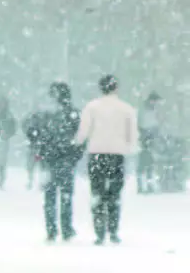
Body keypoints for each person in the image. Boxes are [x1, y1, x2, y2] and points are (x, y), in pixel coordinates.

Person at [73, 75, 138, 245]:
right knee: (114, 194)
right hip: (117, 154)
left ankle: (99, 231)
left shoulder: (92, 107)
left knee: (97, 193)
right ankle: (113, 229)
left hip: (97, 153)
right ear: (116, 88)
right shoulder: (126, 109)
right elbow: (132, 134)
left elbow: (83, 132)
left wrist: (77, 143)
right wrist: (130, 148)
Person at [36, 82, 83, 241]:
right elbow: (80, 137)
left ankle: (51, 229)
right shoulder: (72, 113)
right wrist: (75, 155)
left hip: (49, 159)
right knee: (66, 195)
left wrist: (41, 151)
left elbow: (37, 133)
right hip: (66, 159)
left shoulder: (45, 114)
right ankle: (66, 228)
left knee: (49, 195)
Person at [138, 92, 162, 194]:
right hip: (145, 138)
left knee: (149, 163)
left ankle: (147, 184)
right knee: (145, 163)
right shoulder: (144, 110)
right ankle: (142, 185)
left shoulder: (153, 110)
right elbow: (141, 124)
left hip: (150, 138)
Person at [23, 111, 44, 190]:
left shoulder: (30, 125)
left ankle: (30, 182)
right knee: (41, 167)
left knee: (31, 167)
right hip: (39, 148)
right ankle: (41, 184)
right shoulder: (42, 124)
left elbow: (26, 132)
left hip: (33, 148)